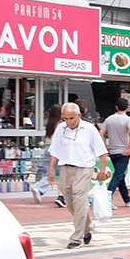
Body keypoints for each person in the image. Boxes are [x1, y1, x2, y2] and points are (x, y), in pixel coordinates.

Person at [46, 102, 111, 248]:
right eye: (65, 119)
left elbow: (102, 151)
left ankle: (77, 237)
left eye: (71, 118)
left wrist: (102, 171)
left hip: (84, 169)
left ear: (79, 116)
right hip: (65, 168)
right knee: (69, 201)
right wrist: (51, 170)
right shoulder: (61, 129)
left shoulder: (89, 129)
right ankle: (87, 227)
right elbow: (54, 150)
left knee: (80, 200)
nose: (68, 122)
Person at [103, 98, 130, 207]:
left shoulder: (109, 119)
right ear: (127, 108)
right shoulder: (128, 120)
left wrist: (105, 147)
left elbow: (101, 133)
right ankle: (107, 196)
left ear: (116, 107)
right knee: (118, 175)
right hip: (124, 152)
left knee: (119, 175)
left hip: (112, 151)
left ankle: (127, 199)